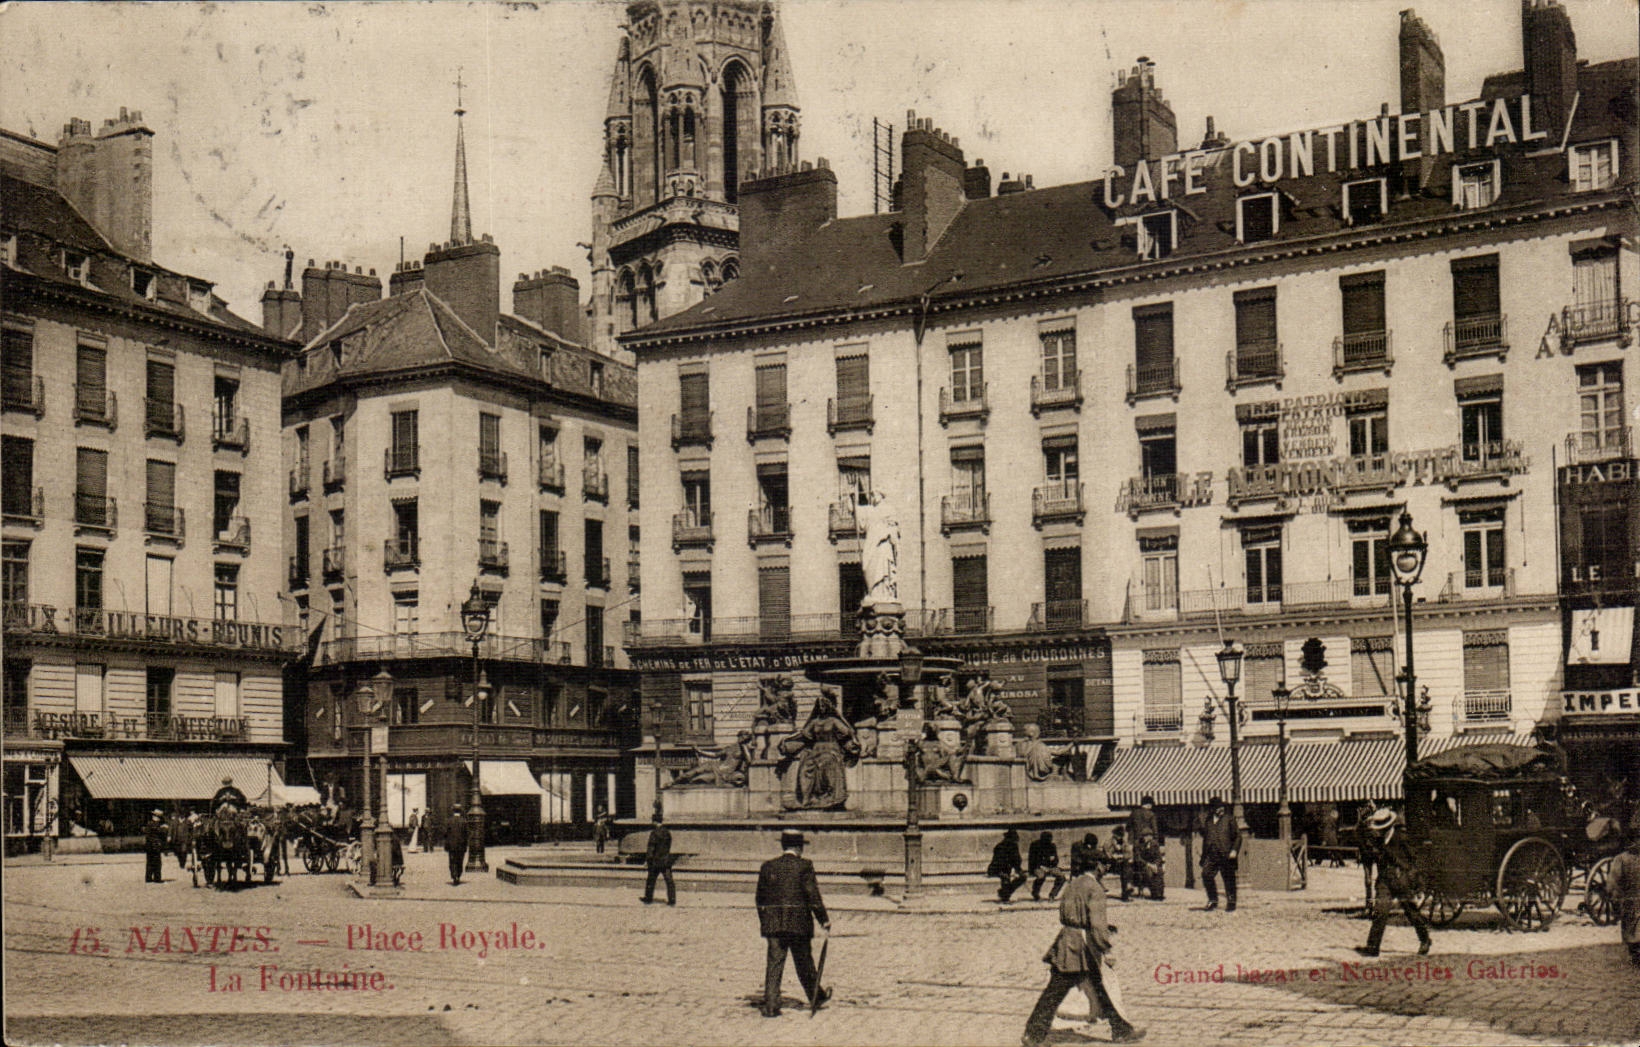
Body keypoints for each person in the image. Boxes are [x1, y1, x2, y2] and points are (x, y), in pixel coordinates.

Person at [1021, 845, 1145, 1046]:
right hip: (1080, 948)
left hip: (1066, 941)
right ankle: (1033, 1035)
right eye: (1104, 865)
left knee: (1097, 987)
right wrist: (1106, 948)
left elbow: (1069, 914)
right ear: (1097, 866)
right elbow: (1097, 924)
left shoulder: (1074, 883)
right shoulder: (1095, 889)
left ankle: (1121, 1029)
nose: (1105, 869)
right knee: (1056, 992)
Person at [755, 829, 832, 1018]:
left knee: (774, 964)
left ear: (783, 846)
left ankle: (772, 1006)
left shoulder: (768, 866)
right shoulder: (804, 866)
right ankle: (817, 997)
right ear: (799, 847)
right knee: (804, 963)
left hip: (774, 925)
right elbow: (812, 896)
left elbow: (760, 899)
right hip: (798, 925)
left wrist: (766, 920)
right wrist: (823, 919)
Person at [1357, 807, 1432, 957]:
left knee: (1412, 912)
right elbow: (1369, 853)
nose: (1378, 831)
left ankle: (1425, 940)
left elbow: (1414, 860)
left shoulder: (1401, 838)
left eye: (1381, 828)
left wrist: (1416, 881)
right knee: (1381, 911)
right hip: (1385, 881)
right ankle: (1373, 947)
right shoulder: (1377, 841)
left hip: (1402, 879)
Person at [1200, 796, 1240, 912]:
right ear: (1212, 809)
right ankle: (1213, 900)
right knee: (1206, 874)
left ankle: (1231, 901)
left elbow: (1238, 836)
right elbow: (1206, 839)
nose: (1221, 810)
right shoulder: (1208, 821)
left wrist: (1234, 850)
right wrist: (1204, 856)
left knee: (1228, 878)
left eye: (1222, 807)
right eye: (1218, 808)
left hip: (1226, 854)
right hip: (1212, 854)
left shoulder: (1229, 819)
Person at [1611, 829, 1640, 966]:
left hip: (1631, 899)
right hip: (1630, 898)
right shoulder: (1621, 859)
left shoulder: (1621, 859)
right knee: (1631, 925)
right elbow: (1615, 882)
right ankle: (1634, 953)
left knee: (1632, 926)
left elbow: (1613, 882)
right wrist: (1616, 897)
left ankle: (1635, 952)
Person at [1128, 797, 1164, 901]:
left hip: (1136, 844)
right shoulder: (1151, 814)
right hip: (1148, 845)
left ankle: (1142, 889)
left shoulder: (1134, 813)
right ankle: (1156, 892)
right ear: (1148, 805)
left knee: (1140, 867)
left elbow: (1128, 828)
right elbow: (1155, 830)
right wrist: (1155, 843)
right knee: (1154, 869)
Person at [641, 810, 675, 905]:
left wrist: (647, 860)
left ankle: (648, 898)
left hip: (655, 861)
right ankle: (672, 899)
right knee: (669, 881)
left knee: (651, 880)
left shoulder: (654, 833)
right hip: (665, 860)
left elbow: (651, 848)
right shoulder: (667, 833)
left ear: (654, 822)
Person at [988, 829, 1027, 903]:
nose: (1014, 842)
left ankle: (1003, 893)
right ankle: (1005, 898)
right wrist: (1004, 872)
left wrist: (1018, 870)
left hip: (1008, 869)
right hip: (996, 868)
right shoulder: (1000, 847)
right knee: (1005, 878)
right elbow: (998, 861)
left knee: (1023, 877)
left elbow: (1017, 859)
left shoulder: (1014, 847)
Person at [1029, 830, 1066, 902]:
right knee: (1041, 876)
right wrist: (1041, 866)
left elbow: (1056, 860)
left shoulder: (1052, 846)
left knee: (1062, 877)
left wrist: (1053, 862)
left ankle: (1052, 894)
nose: (1049, 841)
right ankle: (1035, 893)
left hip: (1050, 867)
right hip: (1038, 867)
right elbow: (1032, 860)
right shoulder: (1035, 845)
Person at [445, 804, 469, 886]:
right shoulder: (464, 821)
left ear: (453, 811)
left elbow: (445, 834)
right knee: (460, 861)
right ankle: (458, 875)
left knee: (452, 861)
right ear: (460, 811)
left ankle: (454, 875)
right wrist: (465, 845)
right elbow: (466, 834)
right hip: (461, 845)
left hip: (451, 845)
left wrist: (447, 844)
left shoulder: (449, 821)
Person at [144, 810, 168, 883]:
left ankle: (148, 878)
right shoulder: (155, 824)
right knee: (157, 862)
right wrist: (164, 828)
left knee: (150, 862)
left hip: (149, 846)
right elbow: (159, 832)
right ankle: (157, 878)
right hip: (155, 845)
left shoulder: (149, 823)